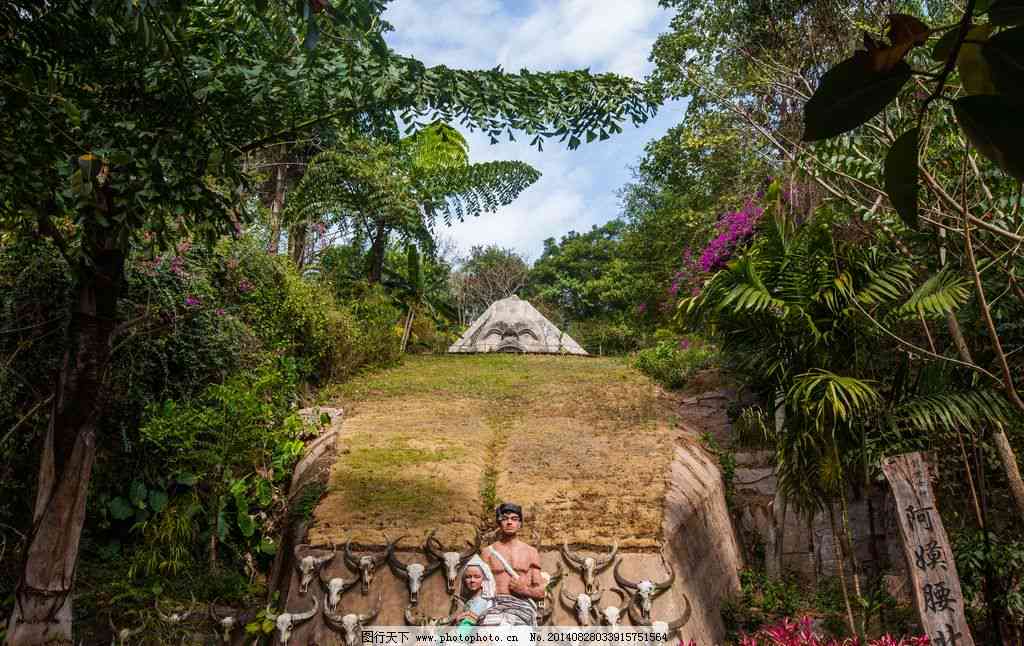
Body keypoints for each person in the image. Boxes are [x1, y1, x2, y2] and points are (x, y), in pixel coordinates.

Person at [477, 502, 546, 626]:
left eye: (514, 519)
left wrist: (525, 590)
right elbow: (476, 588)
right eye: (505, 519)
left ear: (520, 524)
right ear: (499, 523)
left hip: (522, 610)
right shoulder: (487, 553)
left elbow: (541, 592)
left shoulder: (531, 552)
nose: (509, 522)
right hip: (492, 609)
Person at [453, 555, 495, 633]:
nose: (472, 580)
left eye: (477, 577)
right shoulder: (472, 599)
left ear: (484, 578)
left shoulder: (481, 602)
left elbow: (462, 634)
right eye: (468, 577)